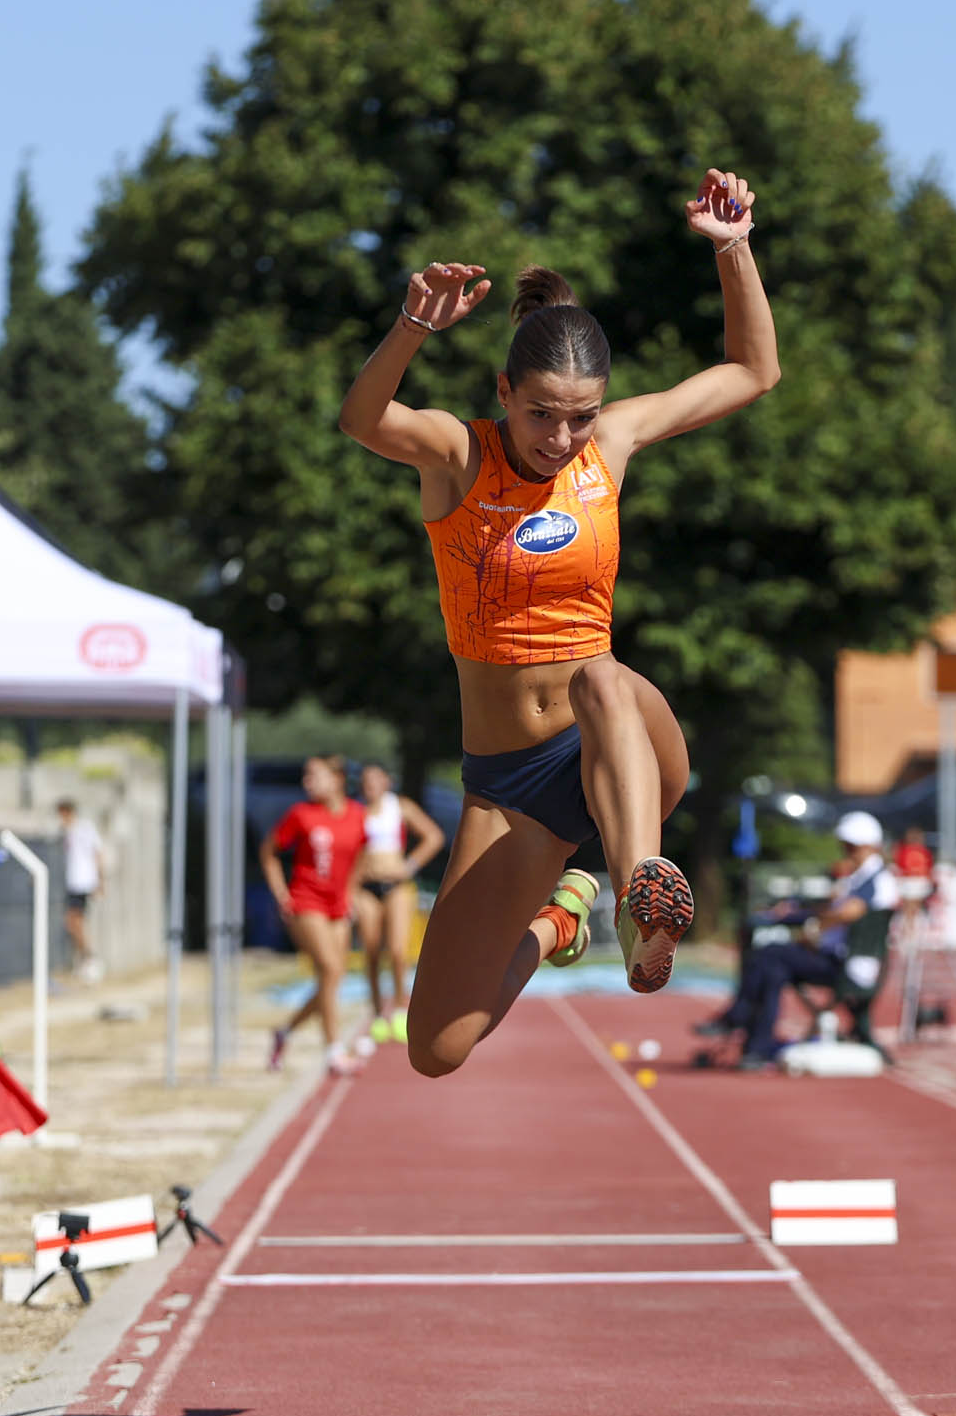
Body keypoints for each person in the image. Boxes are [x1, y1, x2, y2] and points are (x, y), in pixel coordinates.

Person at [337, 168, 779, 1078]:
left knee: (600, 675)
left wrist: (733, 249)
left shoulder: (607, 448)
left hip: (620, 746)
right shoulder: (460, 456)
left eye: (579, 417)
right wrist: (413, 325)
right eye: (541, 414)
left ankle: (637, 895)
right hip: (508, 783)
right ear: (504, 390)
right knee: (436, 1048)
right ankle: (564, 916)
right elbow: (364, 419)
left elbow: (752, 371)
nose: (560, 438)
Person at [695, 812, 899, 1066]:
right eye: (845, 846)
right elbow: (834, 907)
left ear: (870, 846)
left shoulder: (877, 878)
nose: (846, 852)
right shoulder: (859, 877)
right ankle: (756, 1046)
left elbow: (850, 911)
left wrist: (815, 929)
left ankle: (740, 1021)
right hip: (840, 959)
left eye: (851, 846)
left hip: (850, 966)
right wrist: (796, 912)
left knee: (770, 955)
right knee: (772, 966)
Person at [261, 755, 369, 1071]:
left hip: (338, 904)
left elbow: (362, 852)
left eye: (315, 775)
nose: (307, 782)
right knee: (331, 969)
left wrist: (351, 891)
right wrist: (281, 894)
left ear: (337, 779)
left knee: (332, 978)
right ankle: (334, 1050)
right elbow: (268, 852)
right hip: (306, 900)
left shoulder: (357, 814)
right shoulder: (301, 814)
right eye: (306, 776)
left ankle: (285, 1032)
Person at [351, 762, 445, 1047]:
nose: (370, 785)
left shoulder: (400, 806)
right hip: (366, 888)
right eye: (366, 780)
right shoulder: (355, 810)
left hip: (396, 886)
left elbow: (433, 836)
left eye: (375, 779)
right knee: (370, 950)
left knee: (397, 950)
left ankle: (401, 1009)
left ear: (386, 781)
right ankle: (377, 1012)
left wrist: (409, 866)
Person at [56, 796, 104, 984]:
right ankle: (84, 960)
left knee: (73, 922)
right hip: (74, 883)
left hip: (82, 883)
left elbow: (97, 852)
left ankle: (89, 957)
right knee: (76, 923)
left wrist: (100, 881)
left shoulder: (84, 828)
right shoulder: (67, 831)